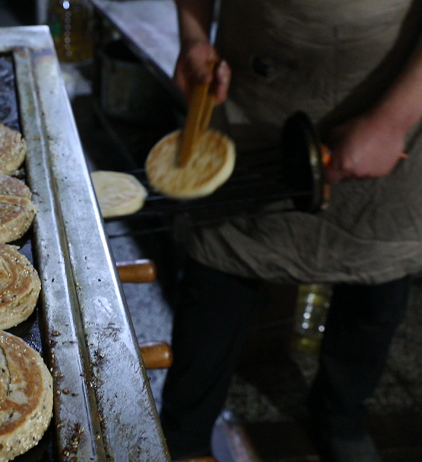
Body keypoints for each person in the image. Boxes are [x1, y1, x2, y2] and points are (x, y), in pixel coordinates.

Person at [160, 0, 422, 461]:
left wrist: (393, 120)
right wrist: (194, 36)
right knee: (218, 269)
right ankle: (182, 433)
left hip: (391, 91)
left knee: (374, 284)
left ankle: (339, 415)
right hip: (253, 92)